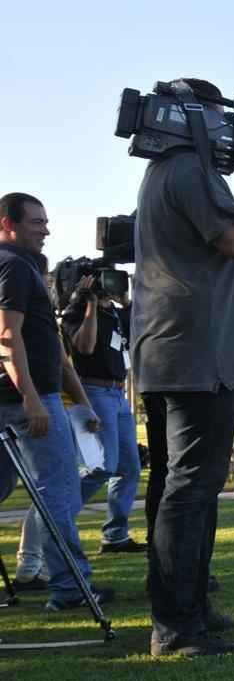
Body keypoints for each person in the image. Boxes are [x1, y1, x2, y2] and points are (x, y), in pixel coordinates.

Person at [132, 78, 234, 657]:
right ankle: (175, 626)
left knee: (187, 486)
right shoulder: (185, 169)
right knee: (190, 488)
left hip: (183, 351)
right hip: (196, 354)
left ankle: (188, 609)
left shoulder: (168, 170)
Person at [0, 192, 113, 612]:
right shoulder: (11, 266)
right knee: (58, 492)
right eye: (36, 222)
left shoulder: (25, 267)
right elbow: (7, 338)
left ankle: (68, 583)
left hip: (33, 395)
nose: (45, 229)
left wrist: (80, 401)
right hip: (24, 400)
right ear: (8, 223)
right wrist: (32, 399)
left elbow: (50, 345)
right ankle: (70, 588)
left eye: (46, 221)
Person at [61, 275, 143, 554]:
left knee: (129, 468)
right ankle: (58, 517)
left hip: (118, 395)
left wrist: (127, 303)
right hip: (94, 392)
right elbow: (84, 347)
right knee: (103, 466)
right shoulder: (75, 310)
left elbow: (135, 339)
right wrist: (90, 305)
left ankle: (115, 535)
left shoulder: (118, 314)